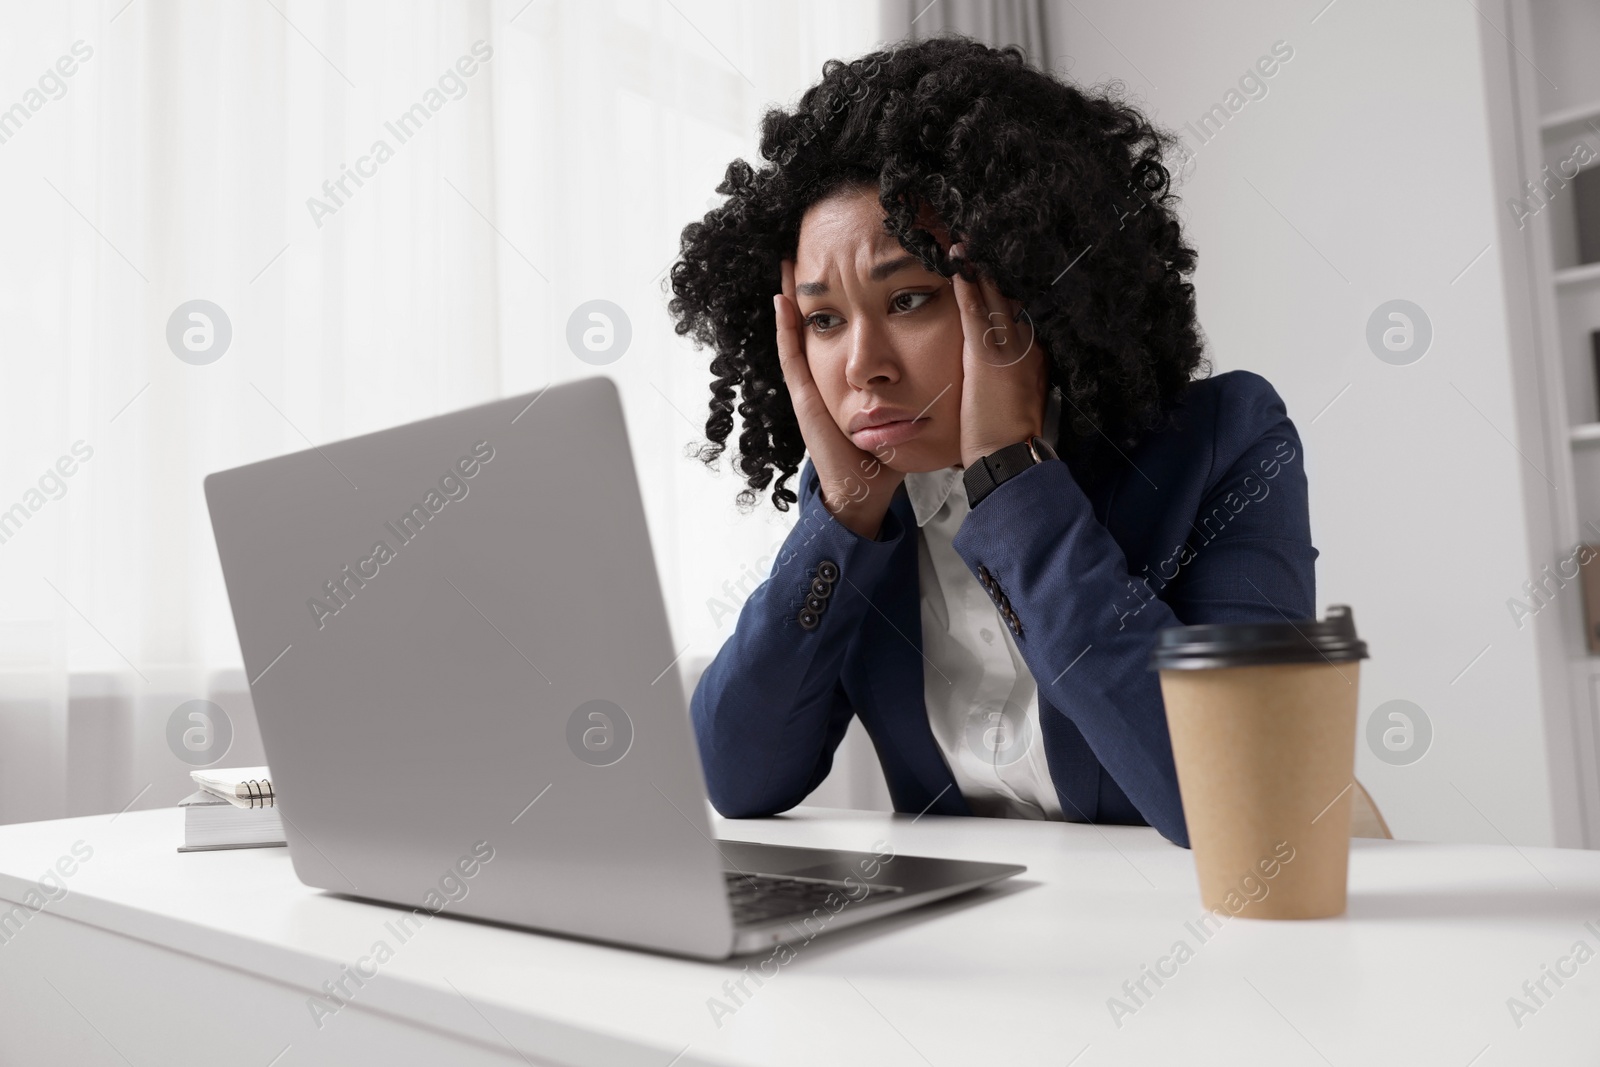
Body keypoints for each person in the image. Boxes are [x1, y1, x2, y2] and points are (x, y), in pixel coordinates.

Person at [666, 35, 1317, 848]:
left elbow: (1246, 802)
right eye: (825, 320)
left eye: (908, 299)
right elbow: (737, 775)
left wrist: (1012, 480)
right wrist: (838, 521)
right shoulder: (860, 505)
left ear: (1027, 288)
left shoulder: (1226, 445)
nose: (863, 366)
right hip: (962, 958)